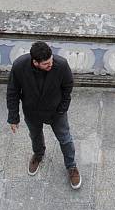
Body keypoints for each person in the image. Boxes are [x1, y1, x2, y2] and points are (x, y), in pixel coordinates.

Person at [6, 41, 81, 190]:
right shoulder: (19, 66)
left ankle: (71, 166)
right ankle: (38, 155)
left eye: (51, 60)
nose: (50, 64)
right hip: (32, 111)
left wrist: (62, 109)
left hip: (56, 112)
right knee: (35, 135)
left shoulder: (61, 65)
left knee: (65, 139)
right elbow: (12, 92)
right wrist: (13, 117)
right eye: (46, 63)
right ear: (35, 62)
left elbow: (68, 88)